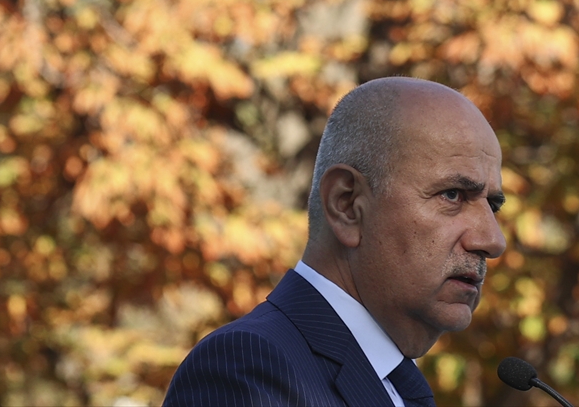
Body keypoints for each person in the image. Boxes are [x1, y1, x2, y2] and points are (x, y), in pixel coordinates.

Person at [163, 77, 508, 407]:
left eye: (492, 206)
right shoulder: (246, 367)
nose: (492, 240)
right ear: (346, 204)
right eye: (452, 195)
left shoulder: (395, 383)